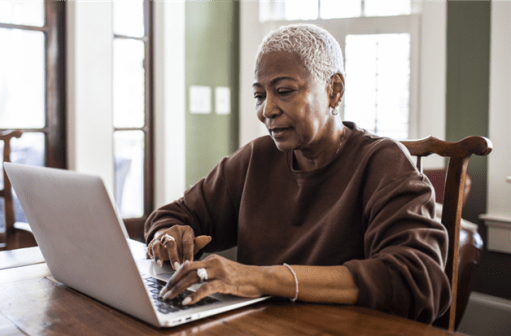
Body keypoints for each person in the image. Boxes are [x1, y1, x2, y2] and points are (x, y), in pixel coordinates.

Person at [144, 23, 450, 324]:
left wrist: (259, 278)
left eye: (284, 91)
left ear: (334, 91)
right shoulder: (256, 158)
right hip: (260, 326)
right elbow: (174, 215)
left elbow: (417, 280)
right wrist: (168, 235)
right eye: (259, 95)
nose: (267, 110)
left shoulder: (383, 162)